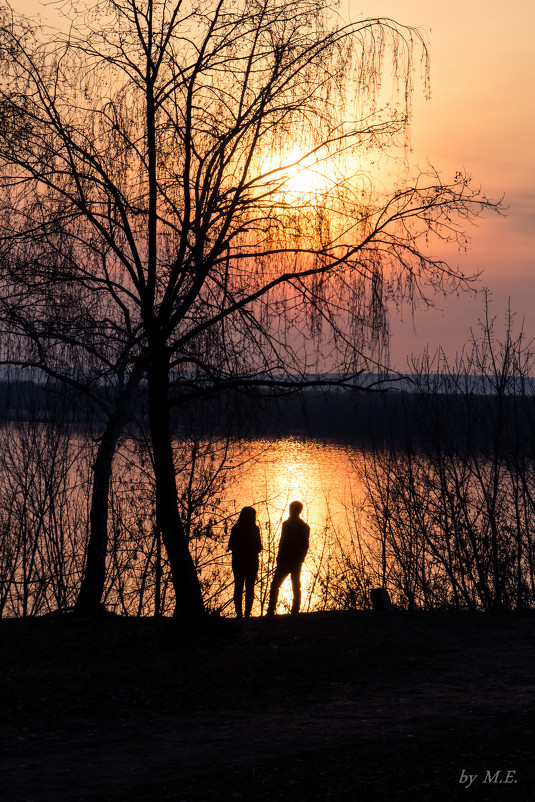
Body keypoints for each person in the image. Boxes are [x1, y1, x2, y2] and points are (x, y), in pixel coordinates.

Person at [267, 500, 310, 616]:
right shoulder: (305, 527)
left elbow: (283, 543)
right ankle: (295, 610)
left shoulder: (287, 525)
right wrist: (302, 557)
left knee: (275, 584)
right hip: (297, 560)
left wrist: (279, 558)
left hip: (285, 559)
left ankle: (271, 610)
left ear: (292, 510)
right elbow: (306, 545)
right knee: (296, 585)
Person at [227, 506, 262, 618]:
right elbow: (259, 547)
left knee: (238, 587)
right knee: (250, 588)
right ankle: (247, 613)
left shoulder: (236, 529)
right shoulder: (254, 529)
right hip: (251, 562)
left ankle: (239, 613)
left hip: (238, 562)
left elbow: (230, 546)